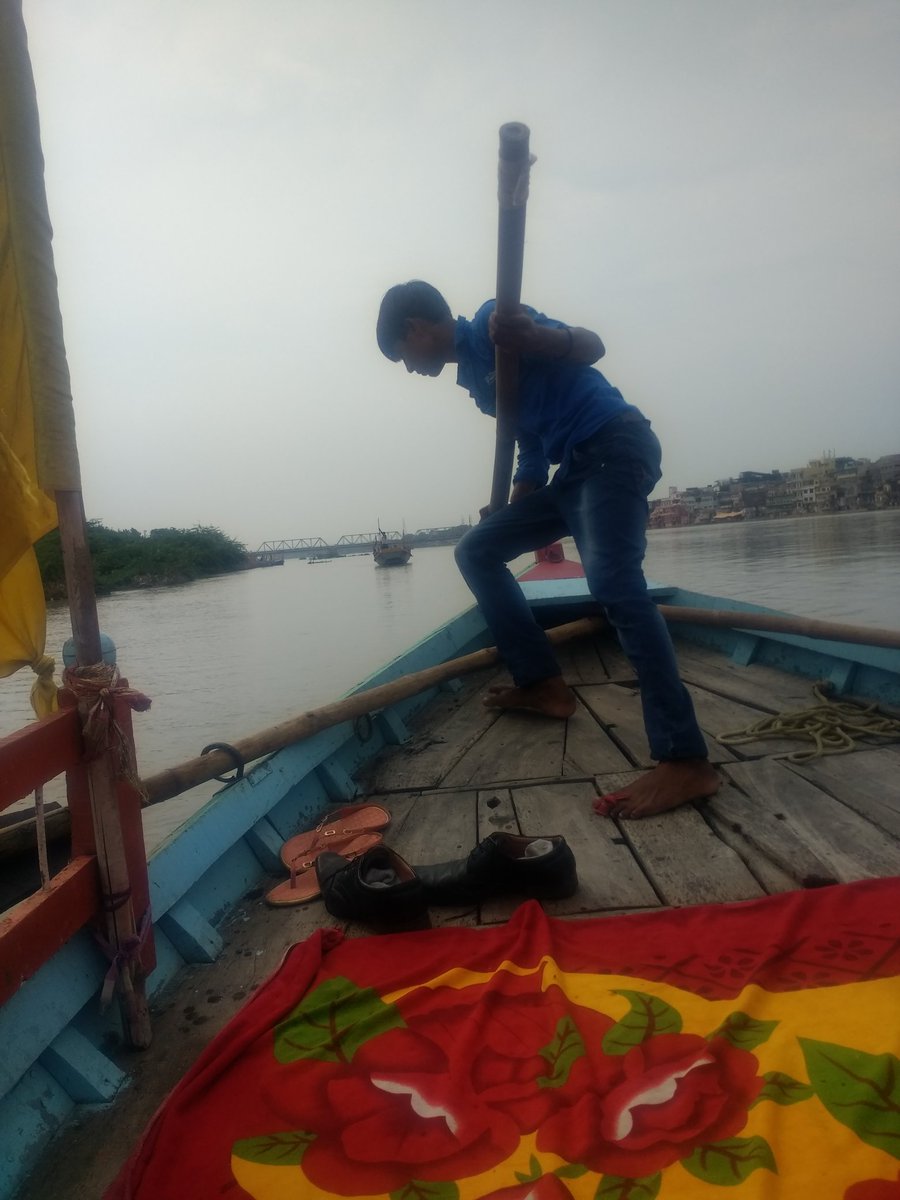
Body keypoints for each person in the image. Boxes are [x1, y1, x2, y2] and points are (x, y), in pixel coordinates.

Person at [375, 280, 720, 819]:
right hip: (575, 472)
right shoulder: (475, 379)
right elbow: (531, 440)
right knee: (477, 551)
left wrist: (534, 335)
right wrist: (520, 497)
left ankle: (685, 759)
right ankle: (543, 684)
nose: (407, 367)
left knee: (616, 589)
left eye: (401, 354)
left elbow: (590, 345)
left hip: (614, 446)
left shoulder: (495, 320)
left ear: (416, 329)